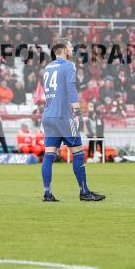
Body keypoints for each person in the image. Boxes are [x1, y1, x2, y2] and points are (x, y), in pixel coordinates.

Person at [39, 39, 105, 202]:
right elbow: (71, 90)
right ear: (62, 50)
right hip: (63, 117)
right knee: (78, 153)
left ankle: (47, 193)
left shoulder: (48, 67)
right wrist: (79, 113)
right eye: (69, 46)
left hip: (48, 116)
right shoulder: (68, 66)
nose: (72, 49)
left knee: (49, 155)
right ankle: (84, 192)